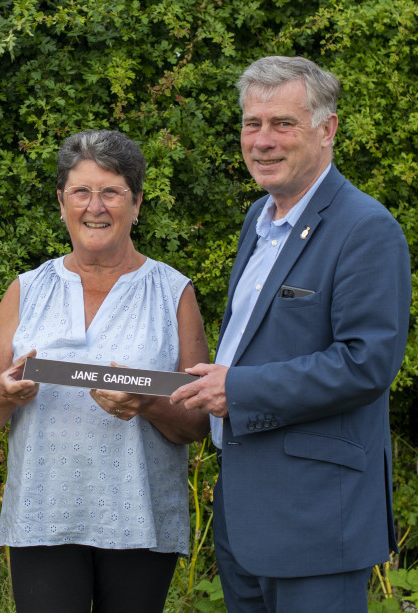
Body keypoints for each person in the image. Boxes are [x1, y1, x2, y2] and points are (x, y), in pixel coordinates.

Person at [170, 56, 411, 612]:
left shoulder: (366, 228)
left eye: (283, 124)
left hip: (318, 519)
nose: (263, 141)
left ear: (326, 130)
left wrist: (241, 390)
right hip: (246, 512)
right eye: (252, 124)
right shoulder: (259, 220)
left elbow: (366, 363)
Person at [0, 129, 210, 612]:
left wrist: (148, 404)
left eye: (111, 192)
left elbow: (198, 423)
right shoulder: (27, 290)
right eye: (81, 192)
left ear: (136, 203)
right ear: (61, 202)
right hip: (43, 517)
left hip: (140, 521)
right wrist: (4, 396)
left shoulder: (173, 293)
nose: (94, 206)